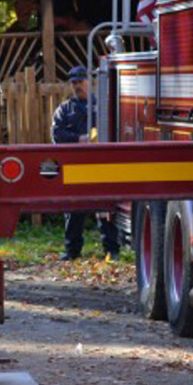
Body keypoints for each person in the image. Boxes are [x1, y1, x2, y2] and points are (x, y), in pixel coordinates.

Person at [51, 65, 120, 261]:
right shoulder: (64, 110)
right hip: (75, 167)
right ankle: (72, 252)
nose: (77, 86)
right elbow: (56, 135)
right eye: (73, 83)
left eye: (80, 81)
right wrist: (80, 139)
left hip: (101, 165)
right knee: (73, 211)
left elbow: (115, 131)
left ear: (88, 82)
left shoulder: (103, 107)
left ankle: (111, 251)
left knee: (106, 209)